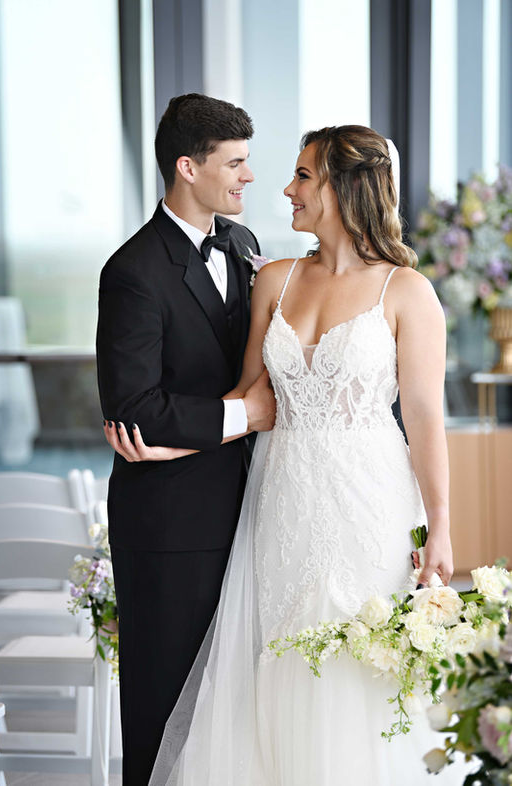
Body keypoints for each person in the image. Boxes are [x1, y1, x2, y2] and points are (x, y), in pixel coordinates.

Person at [106, 125, 469, 784]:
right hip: (278, 501)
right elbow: (250, 399)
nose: (285, 189)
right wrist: (156, 448)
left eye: (303, 176)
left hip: (369, 504)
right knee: (273, 660)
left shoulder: (407, 293)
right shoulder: (273, 278)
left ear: (342, 187)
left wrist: (440, 524)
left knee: (353, 667)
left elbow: (422, 417)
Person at [96, 93, 275, 786]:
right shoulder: (133, 272)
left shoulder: (244, 245)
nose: (247, 177)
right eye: (234, 163)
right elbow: (134, 408)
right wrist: (246, 416)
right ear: (187, 168)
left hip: (253, 511)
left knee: (234, 710)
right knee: (166, 708)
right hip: (171, 525)